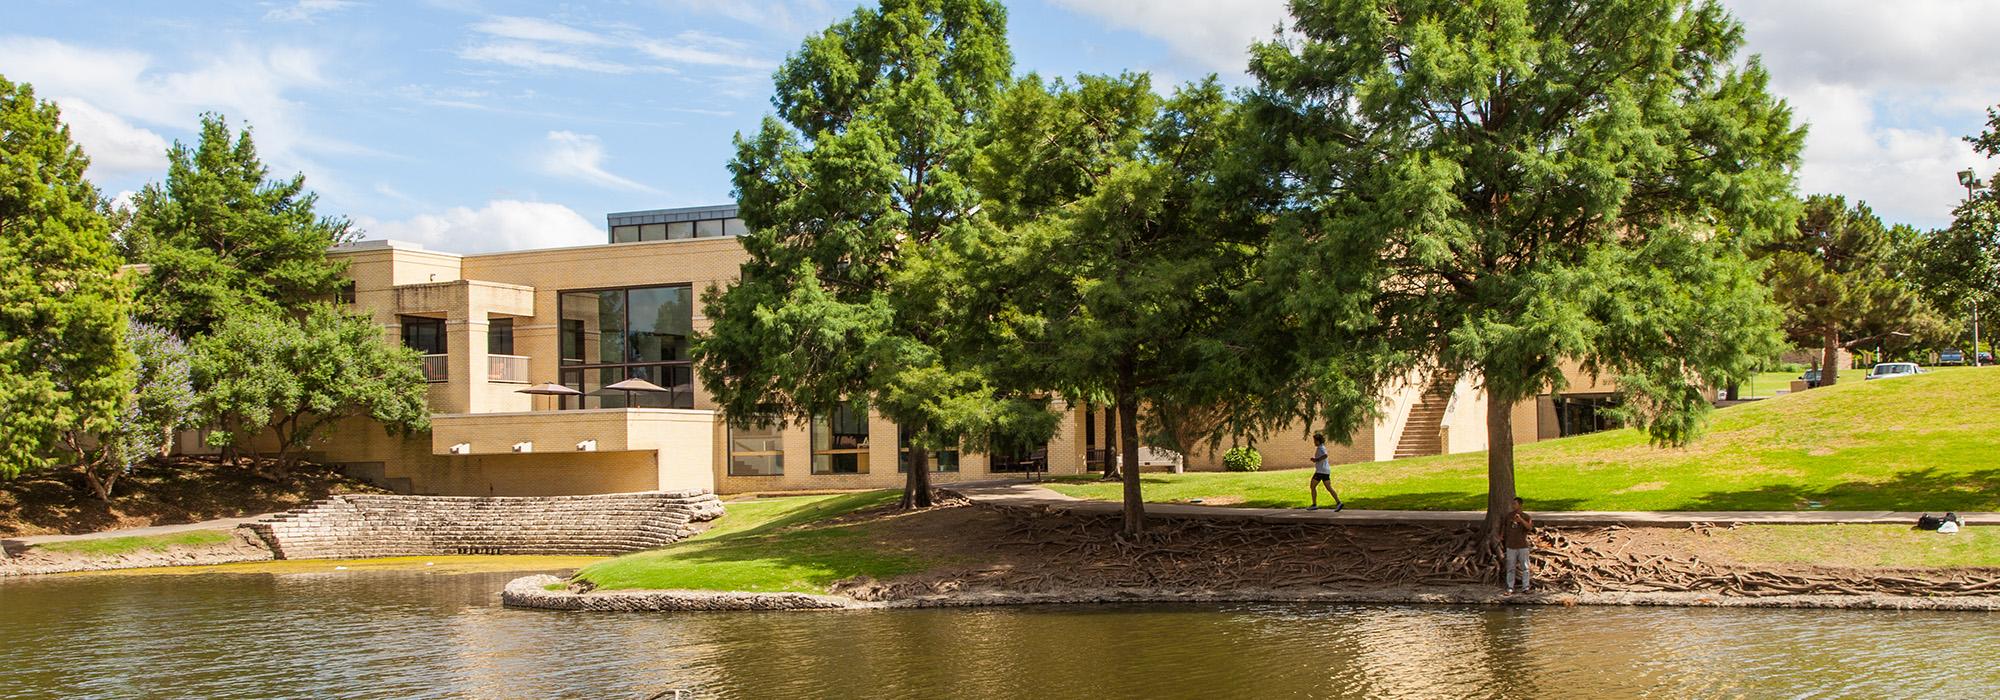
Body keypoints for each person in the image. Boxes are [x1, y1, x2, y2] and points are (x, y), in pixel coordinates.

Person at [1502, 496, 1533, 594]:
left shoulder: (1526, 516)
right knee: (1510, 567)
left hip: (1522, 546)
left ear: (1520, 505)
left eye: (1515, 504)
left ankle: (1526, 587)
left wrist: (1521, 520)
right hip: (1511, 546)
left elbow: (1529, 527)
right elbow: (1504, 528)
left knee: (1525, 567)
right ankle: (1510, 587)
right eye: (1513, 504)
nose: (1513, 505)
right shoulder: (1508, 516)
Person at [1306, 433, 1343, 511]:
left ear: (1318, 441)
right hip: (1325, 471)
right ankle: (1339, 502)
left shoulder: (1321, 448)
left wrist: (1316, 459)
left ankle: (1314, 504)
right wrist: (1316, 459)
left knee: (1312, 486)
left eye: (1315, 441)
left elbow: (1325, 455)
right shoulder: (1321, 447)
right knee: (1329, 487)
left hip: (1320, 471)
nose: (1314, 442)